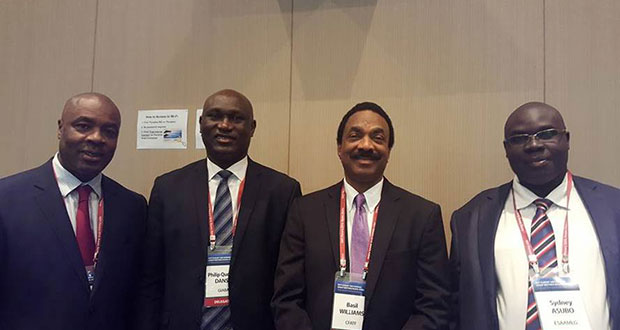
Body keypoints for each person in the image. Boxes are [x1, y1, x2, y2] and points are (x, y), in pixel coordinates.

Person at [272, 102, 450, 330]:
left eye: (377, 138)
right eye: (355, 136)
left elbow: (434, 305)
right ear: (339, 147)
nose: (366, 145)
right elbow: (286, 299)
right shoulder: (304, 212)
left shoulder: (422, 216)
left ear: (388, 151)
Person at [135, 89, 301, 330]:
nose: (224, 125)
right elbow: (151, 275)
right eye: (215, 116)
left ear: (252, 127)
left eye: (236, 118)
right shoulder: (168, 188)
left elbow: (288, 279)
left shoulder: (282, 191)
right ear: (201, 124)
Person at [449, 102, 620, 330]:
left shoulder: (613, 206)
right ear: (506, 149)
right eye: (519, 138)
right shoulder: (471, 218)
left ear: (566, 140)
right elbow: (454, 305)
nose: (534, 145)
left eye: (546, 134)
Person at [0, 92, 147, 330]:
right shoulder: (7, 199)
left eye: (109, 132)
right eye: (83, 126)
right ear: (60, 128)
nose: (96, 138)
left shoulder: (132, 207)